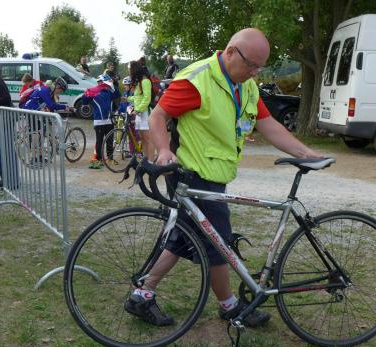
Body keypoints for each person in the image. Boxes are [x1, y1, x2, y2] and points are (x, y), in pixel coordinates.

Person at [124, 28, 322, 328]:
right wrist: (163, 150)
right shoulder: (197, 80)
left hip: (215, 176)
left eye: (259, 67)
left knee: (183, 237)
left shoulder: (246, 86)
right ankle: (230, 306)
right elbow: (158, 116)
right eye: (251, 65)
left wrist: (305, 152)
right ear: (230, 52)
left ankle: (142, 294)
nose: (254, 73)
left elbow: (268, 125)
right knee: (218, 246)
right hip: (192, 175)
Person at [85, 74, 121, 169]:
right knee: (99, 141)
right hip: (98, 121)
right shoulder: (94, 91)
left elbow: (118, 94)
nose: (100, 84)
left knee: (109, 141)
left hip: (109, 120)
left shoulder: (109, 91)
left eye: (102, 82)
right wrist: (86, 94)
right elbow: (84, 101)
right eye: (99, 82)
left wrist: (113, 84)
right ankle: (99, 159)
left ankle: (110, 158)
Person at [127, 60, 155, 159]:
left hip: (145, 113)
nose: (129, 72)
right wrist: (127, 99)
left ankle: (150, 161)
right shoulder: (139, 82)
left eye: (129, 69)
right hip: (139, 113)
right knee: (143, 139)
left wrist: (138, 110)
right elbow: (138, 97)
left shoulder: (145, 81)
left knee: (148, 139)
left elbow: (147, 98)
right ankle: (145, 160)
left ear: (134, 70)